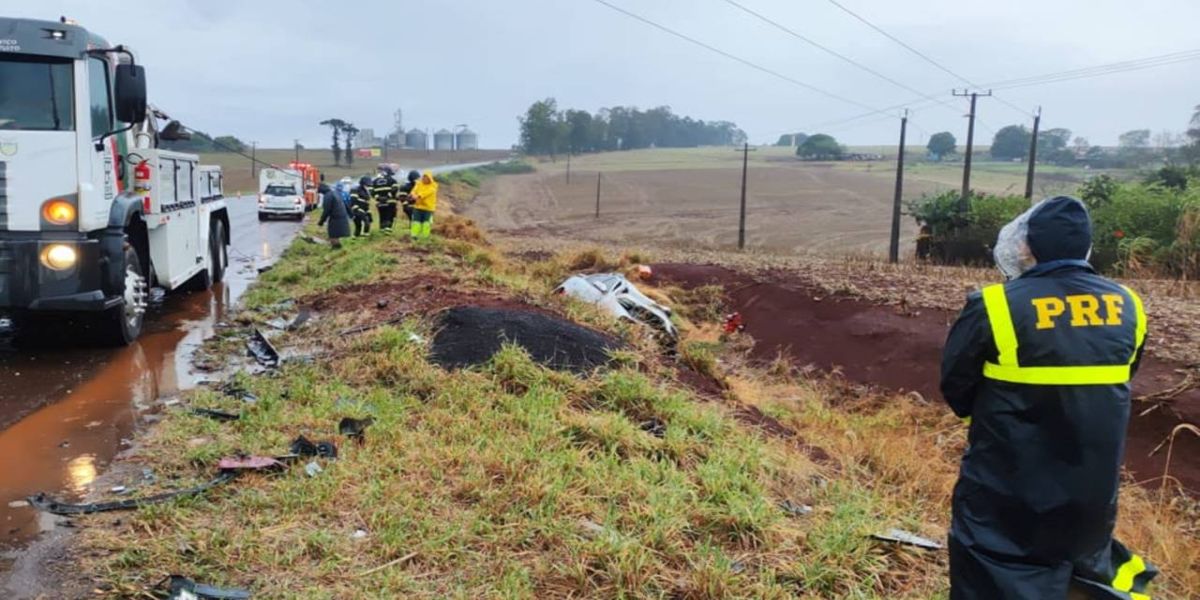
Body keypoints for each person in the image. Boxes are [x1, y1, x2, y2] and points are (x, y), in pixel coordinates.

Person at [940, 196, 1156, 599]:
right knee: (1073, 578)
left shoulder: (994, 305)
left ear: (1026, 245)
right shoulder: (1128, 306)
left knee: (988, 576)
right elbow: (1121, 378)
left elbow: (957, 390)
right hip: (1091, 495)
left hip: (1004, 489)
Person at [317, 181, 350, 249]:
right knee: (335, 234)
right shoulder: (335, 193)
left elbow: (326, 211)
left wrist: (321, 221)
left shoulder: (328, 196)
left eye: (320, 192)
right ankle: (337, 248)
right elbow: (346, 205)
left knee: (333, 235)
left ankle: (336, 248)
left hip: (336, 218)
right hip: (342, 217)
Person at [409, 170, 438, 241]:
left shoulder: (433, 186)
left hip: (428, 208)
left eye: (426, 178)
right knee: (416, 222)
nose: (424, 179)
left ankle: (425, 237)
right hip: (418, 207)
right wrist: (412, 195)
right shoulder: (419, 184)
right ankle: (414, 236)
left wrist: (417, 196)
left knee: (426, 223)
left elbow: (425, 193)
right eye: (424, 177)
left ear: (430, 179)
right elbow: (413, 191)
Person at [370, 166, 400, 233]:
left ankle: (382, 229)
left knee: (382, 215)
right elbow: (395, 189)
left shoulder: (375, 181)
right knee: (390, 215)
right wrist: (388, 196)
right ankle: (388, 228)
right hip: (390, 201)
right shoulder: (392, 180)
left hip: (380, 202)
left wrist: (378, 198)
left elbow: (371, 191)